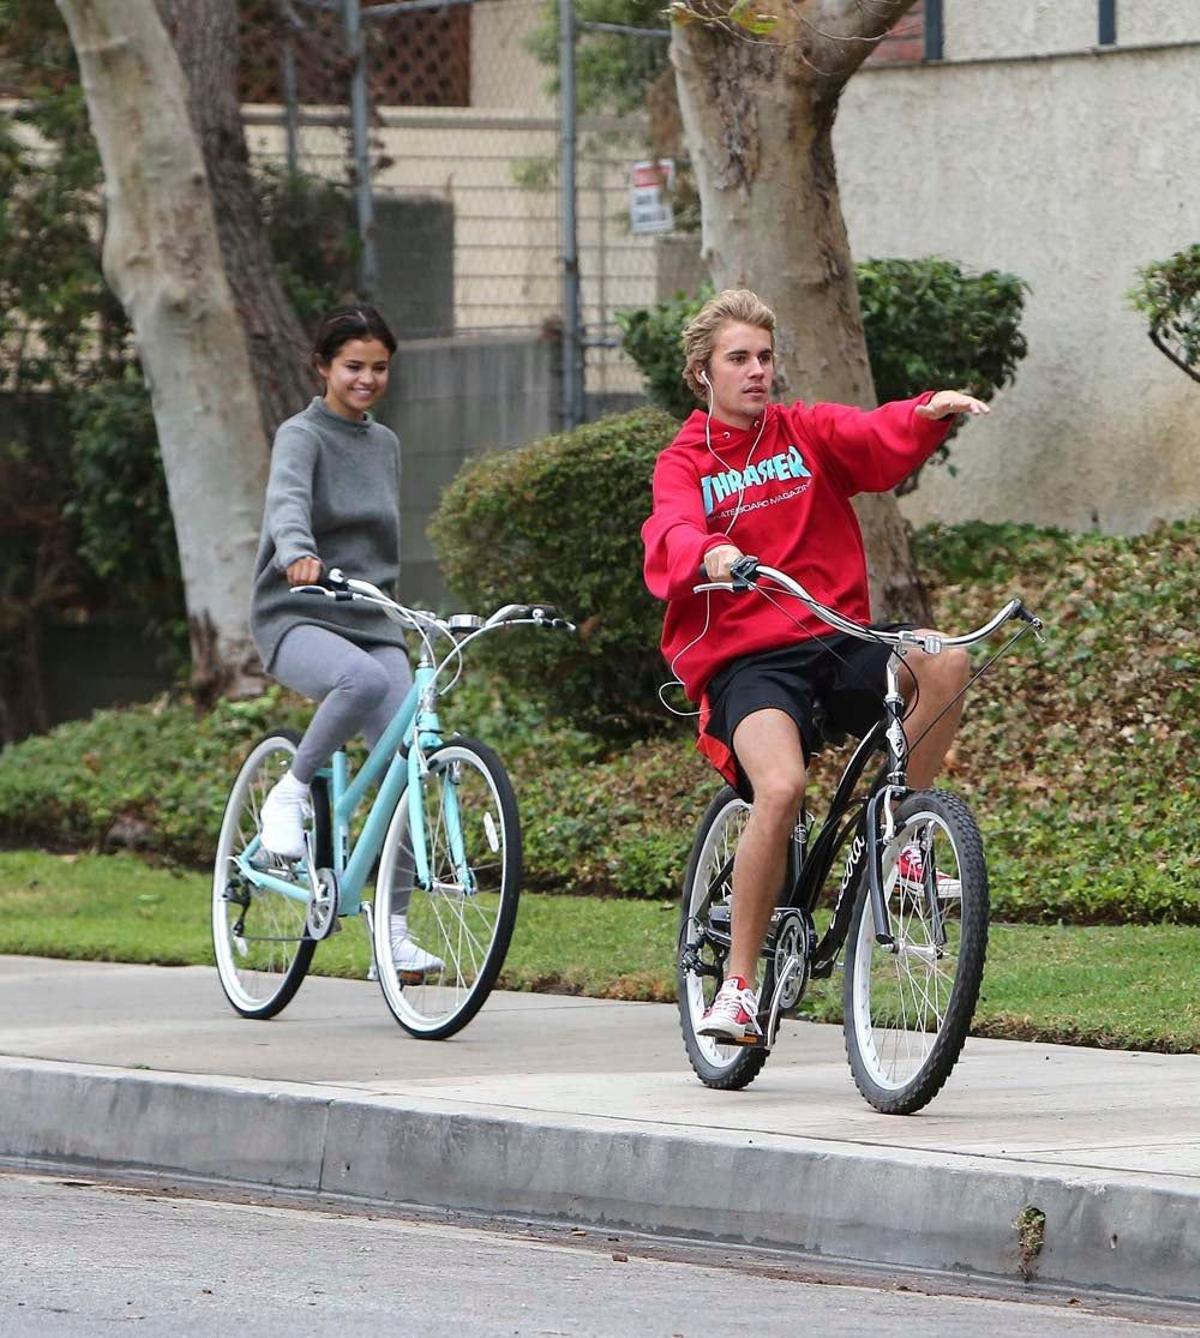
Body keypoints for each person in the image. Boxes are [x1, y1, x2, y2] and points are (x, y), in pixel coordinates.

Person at [641, 289, 989, 1044]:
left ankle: (903, 843)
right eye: (740, 359)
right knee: (783, 787)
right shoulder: (684, 461)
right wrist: (711, 552)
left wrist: (928, 409)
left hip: (834, 636)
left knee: (946, 660)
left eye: (766, 357)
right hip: (750, 662)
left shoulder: (804, 432)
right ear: (703, 372)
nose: (758, 371)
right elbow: (670, 527)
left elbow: (868, 435)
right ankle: (736, 990)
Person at [249, 304, 441, 976]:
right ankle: (291, 792)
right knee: (357, 682)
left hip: (367, 614)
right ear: (323, 367)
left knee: (410, 757)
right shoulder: (301, 435)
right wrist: (296, 553)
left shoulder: (383, 444)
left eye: (379, 367)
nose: (367, 379)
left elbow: (377, 544)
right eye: (353, 366)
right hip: (297, 608)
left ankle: (393, 928)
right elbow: (287, 504)